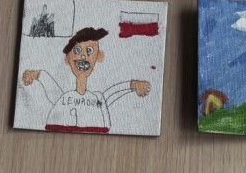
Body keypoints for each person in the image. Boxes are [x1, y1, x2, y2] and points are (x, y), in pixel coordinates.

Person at [21, 27, 150, 133]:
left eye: (89, 51)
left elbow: (111, 94)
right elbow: (52, 90)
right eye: (77, 50)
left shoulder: (97, 98)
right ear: (67, 59)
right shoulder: (64, 98)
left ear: (99, 56)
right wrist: (37, 74)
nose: (83, 56)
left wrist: (132, 85)